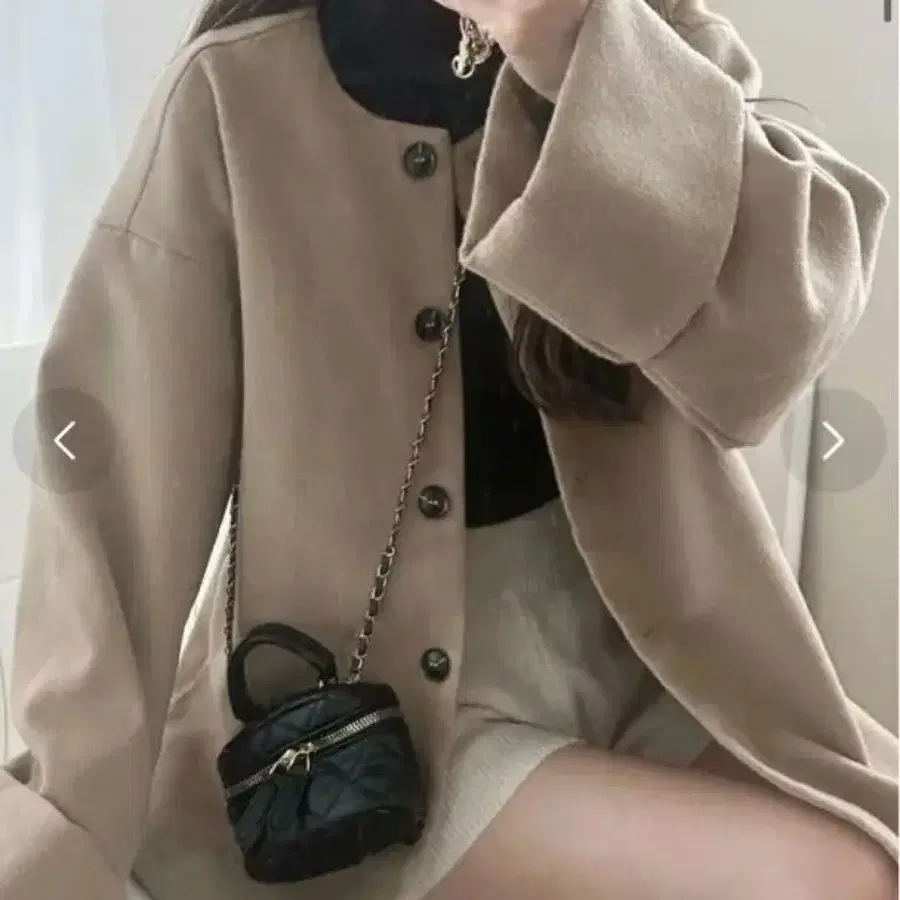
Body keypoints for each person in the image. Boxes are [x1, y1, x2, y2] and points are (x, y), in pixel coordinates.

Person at [1, 0, 896, 897]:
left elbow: (778, 343)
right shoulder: (236, 93)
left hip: (659, 654)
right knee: (842, 877)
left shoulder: (644, 34)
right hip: (401, 709)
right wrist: (55, 850)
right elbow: (117, 501)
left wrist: (570, 49)